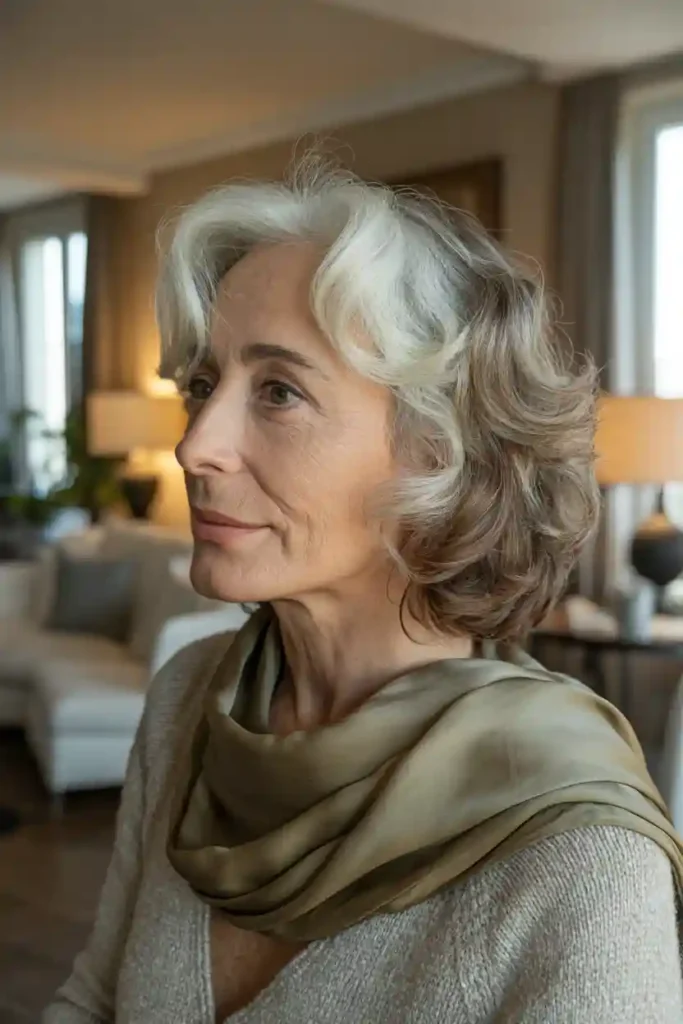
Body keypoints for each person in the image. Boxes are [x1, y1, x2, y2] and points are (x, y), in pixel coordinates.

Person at [45, 157, 683, 1024]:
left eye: (278, 391)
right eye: (202, 385)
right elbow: (93, 998)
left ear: (439, 453)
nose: (195, 446)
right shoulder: (187, 702)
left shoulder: (580, 856)